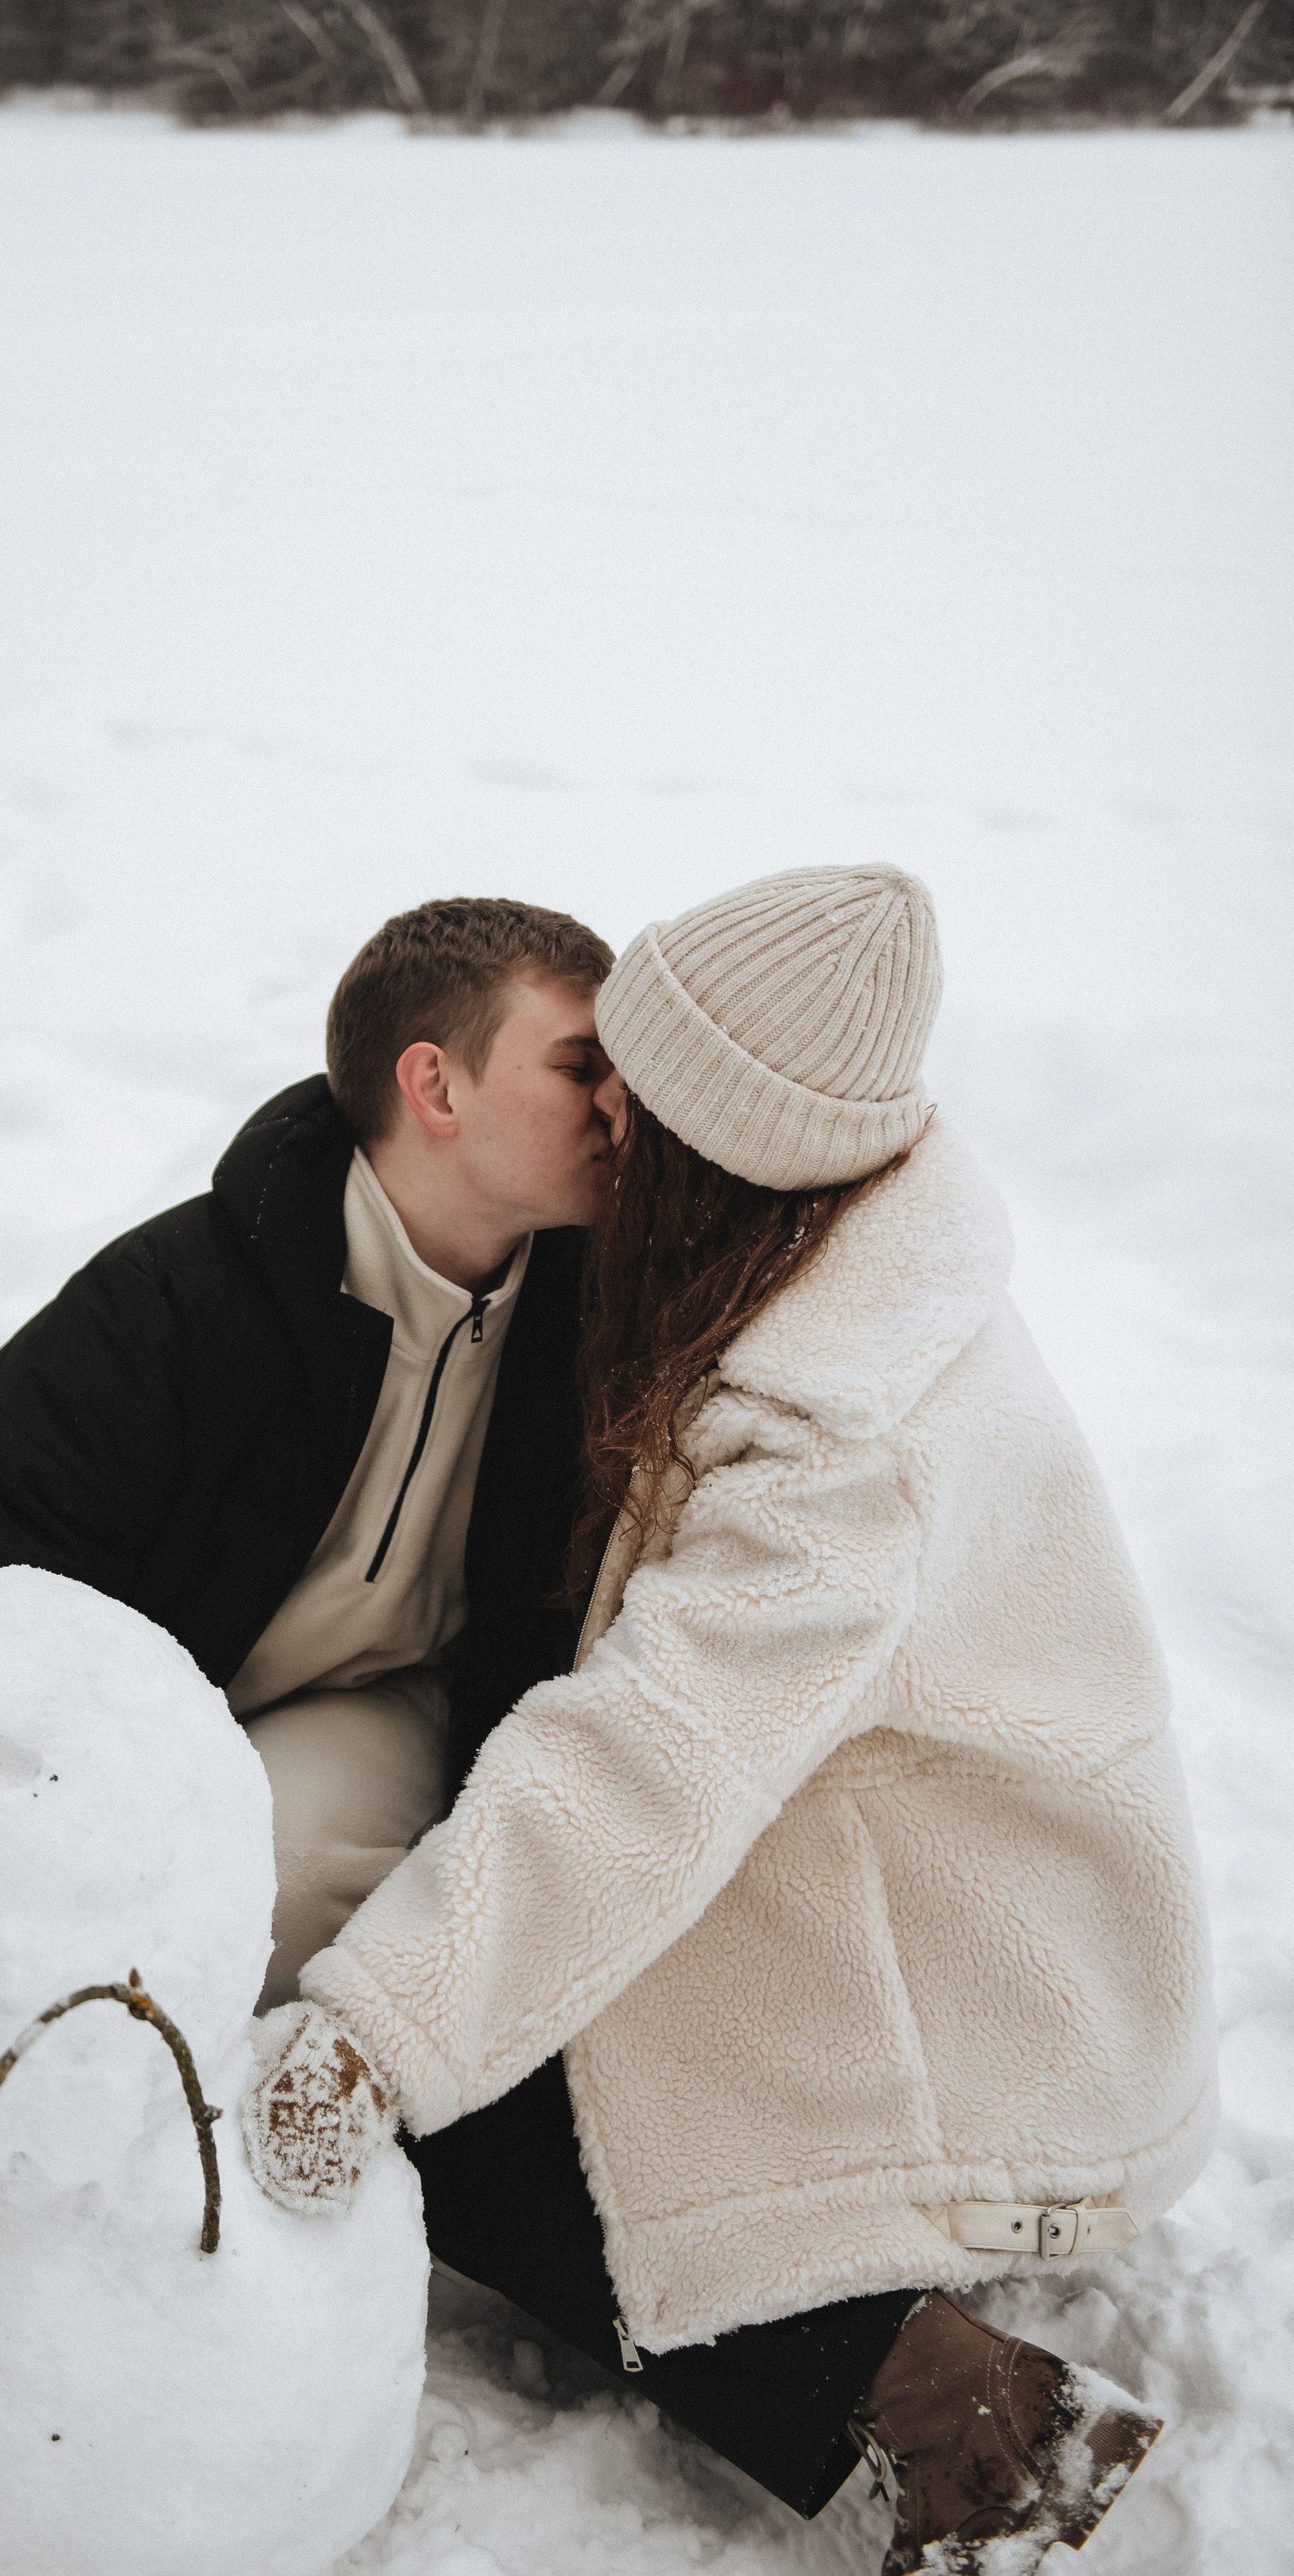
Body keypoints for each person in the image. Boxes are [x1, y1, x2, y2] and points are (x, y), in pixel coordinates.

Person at [243, 867, 1217, 2576]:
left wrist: (377, 2029)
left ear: (728, 1143)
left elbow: (653, 1763)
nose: (595, 1101)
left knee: (511, 2138)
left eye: (636, 1086)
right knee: (512, 1994)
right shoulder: (818, 1238)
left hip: (974, 1987)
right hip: (884, 1859)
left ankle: (985, 2447)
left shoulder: (848, 1441)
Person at [0, 896, 617, 2000]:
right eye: (580, 1067)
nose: (621, 1106)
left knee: (260, 1891)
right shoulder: (164, 1309)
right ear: (435, 1087)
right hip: (145, 1719)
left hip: (396, 1701)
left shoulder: (600, 1314)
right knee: (91, 1917)